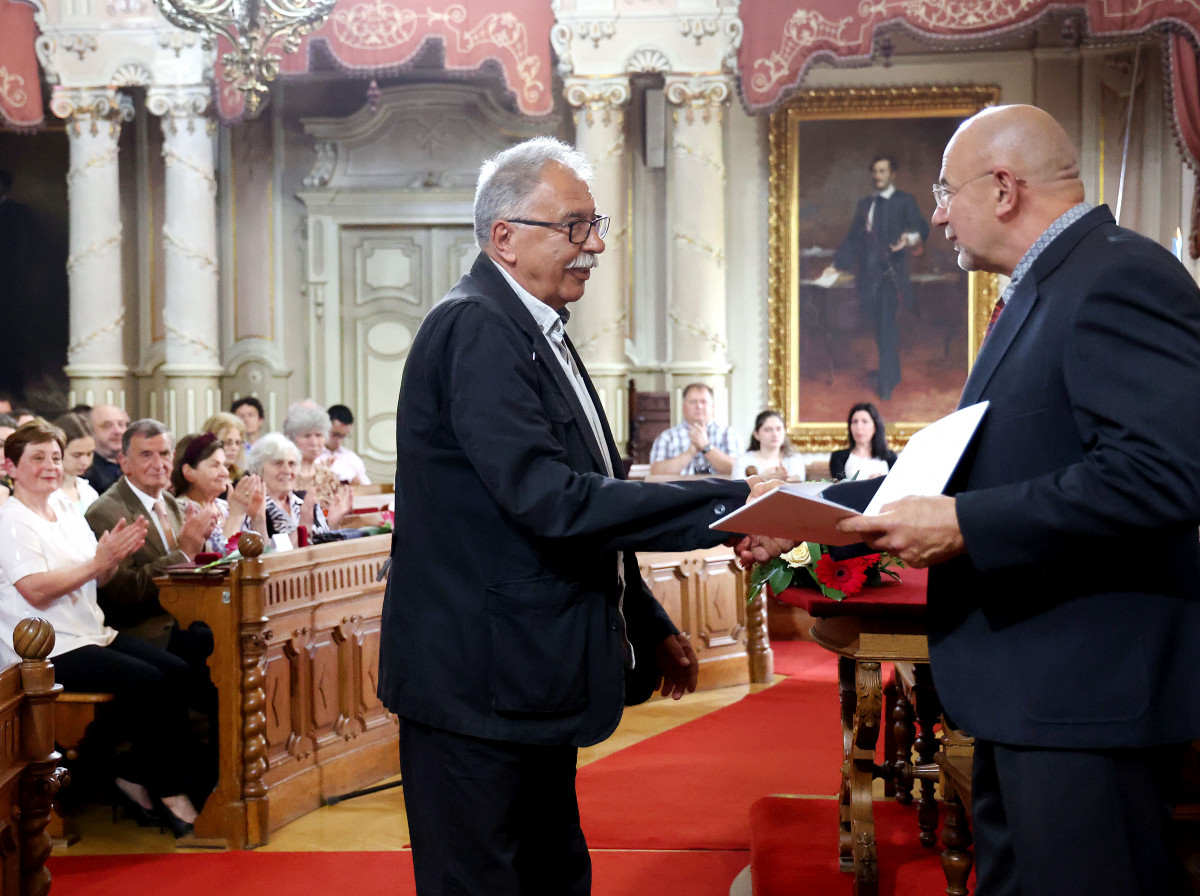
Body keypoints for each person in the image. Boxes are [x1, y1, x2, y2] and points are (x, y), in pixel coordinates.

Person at [826, 104, 1200, 895]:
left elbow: (1168, 471)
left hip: (1088, 702)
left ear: (1002, 189)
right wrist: (804, 510)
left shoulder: (1119, 276)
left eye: (943, 192)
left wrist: (966, 524)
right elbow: (990, 465)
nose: (936, 215)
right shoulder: (1048, 288)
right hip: (1034, 697)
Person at [379, 136, 752, 896]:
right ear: (505, 237)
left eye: (595, 225)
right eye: (575, 227)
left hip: (522, 675)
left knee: (551, 876)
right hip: (478, 682)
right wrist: (733, 506)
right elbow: (550, 500)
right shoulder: (478, 327)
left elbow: (587, 496)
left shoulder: (533, 326)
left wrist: (644, 620)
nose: (596, 245)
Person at [0, 420, 203, 837]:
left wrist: (111, 559)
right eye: (38, 458)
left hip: (90, 631)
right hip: (44, 648)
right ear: (11, 467)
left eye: (55, 457)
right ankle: (168, 791)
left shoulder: (65, 508)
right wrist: (98, 562)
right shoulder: (11, 520)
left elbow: (98, 578)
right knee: (148, 681)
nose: (50, 466)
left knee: (178, 672)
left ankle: (132, 772)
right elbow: (35, 590)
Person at [85, 419, 219, 649]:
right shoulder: (105, 513)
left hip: (187, 613)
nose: (159, 464)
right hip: (144, 628)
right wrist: (184, 554)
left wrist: (202, 544)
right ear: (124, 462)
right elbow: (121, 592)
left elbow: (193, 560)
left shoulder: (170, 501)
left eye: (164, 454)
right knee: (210, 639)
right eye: (146, 455)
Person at [821, 156, 929, 401]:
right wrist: (836, 265)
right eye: (875, 172)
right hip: (868, 278)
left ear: (892, 174)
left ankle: (887, 383)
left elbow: (921, 228)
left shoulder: (904, 201)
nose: (877, 176)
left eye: (882, 171)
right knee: (880, 328)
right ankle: (891, 373)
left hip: (891, 276)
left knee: (887, 328)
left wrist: (908, 239)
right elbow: (853, 240)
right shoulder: (865, 204)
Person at [170, 433, 268, 554]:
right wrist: (235, 516)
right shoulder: (179, 510)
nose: (225, 472)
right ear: (188, 472)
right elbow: (217, 561)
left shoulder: (225, 506)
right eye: (215, 465)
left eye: (224, 465)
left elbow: (264, 556)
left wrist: (258, 518)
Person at [246, 432, 331, 544]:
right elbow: (262, 552)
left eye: (291, 464)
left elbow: (327, 543)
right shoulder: (251, 507)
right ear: (259, 469)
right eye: (278, 463)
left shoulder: (305, 501)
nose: (287, 470)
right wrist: (303, 525)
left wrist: (334, 521)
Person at [281, 402, 352, 528]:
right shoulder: (284, 476)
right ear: (292, 438)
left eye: (318, 435)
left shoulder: (329, 477)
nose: (314, 442)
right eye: (306, 436)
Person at [647, 382, 741, 476]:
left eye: (704, 402)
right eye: (693, 402)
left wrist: (706, 447)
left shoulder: (728, 434)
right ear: (684, 407)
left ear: (712, 407)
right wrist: (688, 454)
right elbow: (656, 472)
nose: (699, 406)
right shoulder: (667, 437)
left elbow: (738, 470)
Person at [829, 402, 897, 481]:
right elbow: (839, 487)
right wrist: (869, 483)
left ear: (875, 426)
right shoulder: (838, 457)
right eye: (855, 422)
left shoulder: (890, 457)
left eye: (865, 421)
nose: (859, 427)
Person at [733, 410, 805, 480]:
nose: (775, 434)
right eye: (768, 430)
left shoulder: (793, 459)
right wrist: (762, 478)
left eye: (778, 429)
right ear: (756, 434)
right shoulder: (743, 461)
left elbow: (798, 483)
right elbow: (737, 486)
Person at [54, 412, 100, 512]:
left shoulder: (89, 492)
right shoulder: (45, 494)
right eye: (77, 455)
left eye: (89, 454)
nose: (85, 462)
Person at [84, 404, 129, 496]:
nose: (118, 431)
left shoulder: (135, 464)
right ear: (90, 431)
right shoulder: (86, 471)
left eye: (121, 425)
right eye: (107, 426)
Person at [322, 404, 370, 485]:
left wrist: (358, 484)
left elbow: (367, 487)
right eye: (335, 435)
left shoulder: (352, 458)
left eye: (343, 436)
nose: (339, 441)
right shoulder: (309, 457)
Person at [201, 411, 247, 483]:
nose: (234, 448)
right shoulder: (201, 479)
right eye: (228, 442)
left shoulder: (243, 478)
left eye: (238, 443)